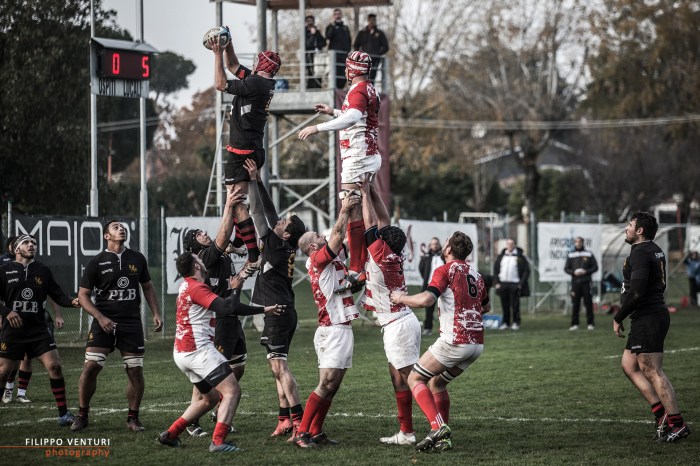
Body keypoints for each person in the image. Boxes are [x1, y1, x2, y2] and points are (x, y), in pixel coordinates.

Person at [157, 252, 284, 452]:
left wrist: (263, 310)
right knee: (232, 391)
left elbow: (229, 307)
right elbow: (226, 308)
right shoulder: (197, 288)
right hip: (198, 351)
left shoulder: (187, 286)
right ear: (196, 266)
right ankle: (218, 442)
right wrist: (235, 289)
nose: (203, 261)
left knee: (211, 399)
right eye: (199, 259)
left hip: (182, 353)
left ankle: (170, 434)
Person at [390, 231, 490, 453]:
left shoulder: (445, 270)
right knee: (437, 383)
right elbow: (486, 306)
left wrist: (400, 298)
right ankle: (443, 440)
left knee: (415, 378)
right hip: (476, 345)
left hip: (455, 341)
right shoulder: (476, 275)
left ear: (448, 249)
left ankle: (438, 427)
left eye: (445, 244)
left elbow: (426, 300)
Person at [298, 51, 380, 291]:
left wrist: (318, 127)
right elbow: (358, 115)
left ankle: (357, 268)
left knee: (351, 207)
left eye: (347, 67)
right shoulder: (368, 89)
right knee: (357, 208)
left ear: (351, 70)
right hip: (365, 153)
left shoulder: (358, 90)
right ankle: (360, 264)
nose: (344, 70)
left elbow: (353, 117)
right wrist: (333, 112)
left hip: (358, 155)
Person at [71, 220, 163, 432]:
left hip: (131, 323)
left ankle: (133, 418)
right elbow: (83, 296)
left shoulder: (137, 258)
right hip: (103, 322)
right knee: (91, 367)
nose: (121, 229)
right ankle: (82, 415)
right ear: (106, 236)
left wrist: (156, 313)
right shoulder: (96, 262)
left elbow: (148, 287)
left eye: (122, 227)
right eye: (115, 227)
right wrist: (100, 317)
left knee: (135, 371)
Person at [613, 212, 690, 442]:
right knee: (629, 365)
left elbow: (637, 292)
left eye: (630, 225)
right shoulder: (652, 249)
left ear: (640, 231)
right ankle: (661, 414)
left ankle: (677, 423)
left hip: (649, 317)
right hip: (646, 316)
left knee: (652, 370)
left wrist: (618, 316)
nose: (626, 228)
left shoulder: (641, 252)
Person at [356, 177, 422, 447]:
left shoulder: (379, 255)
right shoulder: (395, 252)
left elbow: (371, 222)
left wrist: (364, 193)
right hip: (400, 321)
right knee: (399, 380)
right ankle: (406, 433)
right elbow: (383, 219)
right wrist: (372, 189)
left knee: (413, 380)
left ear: (382, 242)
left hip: (398, 324)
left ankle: (436, 424)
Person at [244, 159, 307, 439]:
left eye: (284, 222)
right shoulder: (282, 245)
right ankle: (284, 420)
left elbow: (259, 212)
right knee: (277, 367)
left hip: (277, 313)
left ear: (287, 233)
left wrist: (252, 182)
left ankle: (300, 423)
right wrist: (259, 181)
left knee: (280, 368)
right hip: (284, 311)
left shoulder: (274, 244)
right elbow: (271, 213)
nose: (279, 221)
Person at [211, 30, 282, 273]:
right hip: (252, 149)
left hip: (241, 151)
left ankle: (251, 255)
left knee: (236, 201)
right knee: (236, 201)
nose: (252, 63)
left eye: (256, 61)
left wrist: (217, 53)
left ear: (261, 65)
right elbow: (233, 66)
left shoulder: (254, 83)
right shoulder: (261, 82)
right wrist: (228, 43)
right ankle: (240, 243)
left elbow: (220, 84)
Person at [293, 195, 361, 448]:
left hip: (340, 328)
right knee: (326, 383)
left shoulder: (329, 259)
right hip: (331, 329)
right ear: (312, 246)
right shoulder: (316, 260)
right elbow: (337, 235)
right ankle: (301, 433)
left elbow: (348, 239)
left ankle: (316, 431)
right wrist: (344, 209)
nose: (323, 236)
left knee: (333, 386)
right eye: (317, 237)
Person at [181, 190, 247, 437]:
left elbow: (236, 240)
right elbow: (223, 235)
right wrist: (230, 205)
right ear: (194, 245)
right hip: (218, 320)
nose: (204, 233)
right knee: (207, 374)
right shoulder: (205, 257)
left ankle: (220, 410)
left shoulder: (222, 253)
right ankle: (193, 421)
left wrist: (241, 215)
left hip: (232, 317)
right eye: (199, 234)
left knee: (238, 366)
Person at [0, 235, 80, 426]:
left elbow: (58, 295)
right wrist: (7, 312)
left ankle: (63, 415)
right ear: (16, 249)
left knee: (55, 366)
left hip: (38, 330)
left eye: (34, 243)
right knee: (3, 372)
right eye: (26, 242)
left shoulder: (43, 271)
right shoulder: (4, 270)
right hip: (13, 331)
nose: (31, 245)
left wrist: (73, 302)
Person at [493, 238, 530, 330]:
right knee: (504, 305)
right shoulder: (501, 256)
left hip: (515, 284)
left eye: (511, 244)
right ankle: (506, 322)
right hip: (503, 284)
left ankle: (516, 322)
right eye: (508, 244)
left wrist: (521, 283)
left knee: (515, 305)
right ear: (506, 245)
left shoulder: (520, 256)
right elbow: (496, 270)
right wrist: (497, 282)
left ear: (514, 245)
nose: (510, 245)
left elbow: (526, 271)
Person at [564, 236, 599, 330]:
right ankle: (574, 324)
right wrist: (573, 272)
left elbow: (595, 267)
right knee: (575, 304)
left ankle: (590, 323)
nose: (578, 243)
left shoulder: (588, 254)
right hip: (575, 283)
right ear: (574, 243)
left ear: (583, 243)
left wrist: (586, 271)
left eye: (580, 242)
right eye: (576, 242)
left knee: (588, 303)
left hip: (586, 282)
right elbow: (566, 268)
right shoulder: (571, 254)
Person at [418, 238, 444, 336]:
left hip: (444, 286)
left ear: (439, 244)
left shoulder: (444, 256)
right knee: (429, 308)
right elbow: (421, 268)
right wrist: (426, 278)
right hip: (431, 285)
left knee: (445, 308)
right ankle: (427, 328)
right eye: (433, 244)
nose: (435, 245)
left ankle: (445, 329)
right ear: (430, 245)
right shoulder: (426, 257)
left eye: (436, 244)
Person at [353, 13, 389, 83]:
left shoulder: (380, 33)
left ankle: (370, 88)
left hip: (375, 60)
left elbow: (386, 47)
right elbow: (356, 45)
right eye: (370, 20)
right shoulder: (362, 33)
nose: (372, 22)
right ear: (368, 21)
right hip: (364, 60)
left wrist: (377, 54)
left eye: (373, 20)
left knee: (372, 77)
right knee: (363, 77)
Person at [325, 8, 352, 89]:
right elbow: (328, 36)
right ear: (333, 16)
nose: (337, 16)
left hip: (344, 56)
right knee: (334, 74)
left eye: (339, 14)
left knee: (344, 75)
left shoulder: (345, 28)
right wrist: (333, 25)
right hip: (334, 56)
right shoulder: (330, 27)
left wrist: (348, 50)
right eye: (336, 14)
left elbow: (349, 40)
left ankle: (340, 89)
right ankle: (334, 89)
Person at [305, 15, 326, 89]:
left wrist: (317, 45)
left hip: (317, 56)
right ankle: (310, 89)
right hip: (309, 56)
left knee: (318, 72)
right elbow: (308, 44)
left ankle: (318, 88)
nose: (310, 23)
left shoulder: (317, 31)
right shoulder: (304, 32)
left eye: (311, 21)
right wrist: (312, 35)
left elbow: (324, 43)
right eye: (308, 21)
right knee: (310, 73)